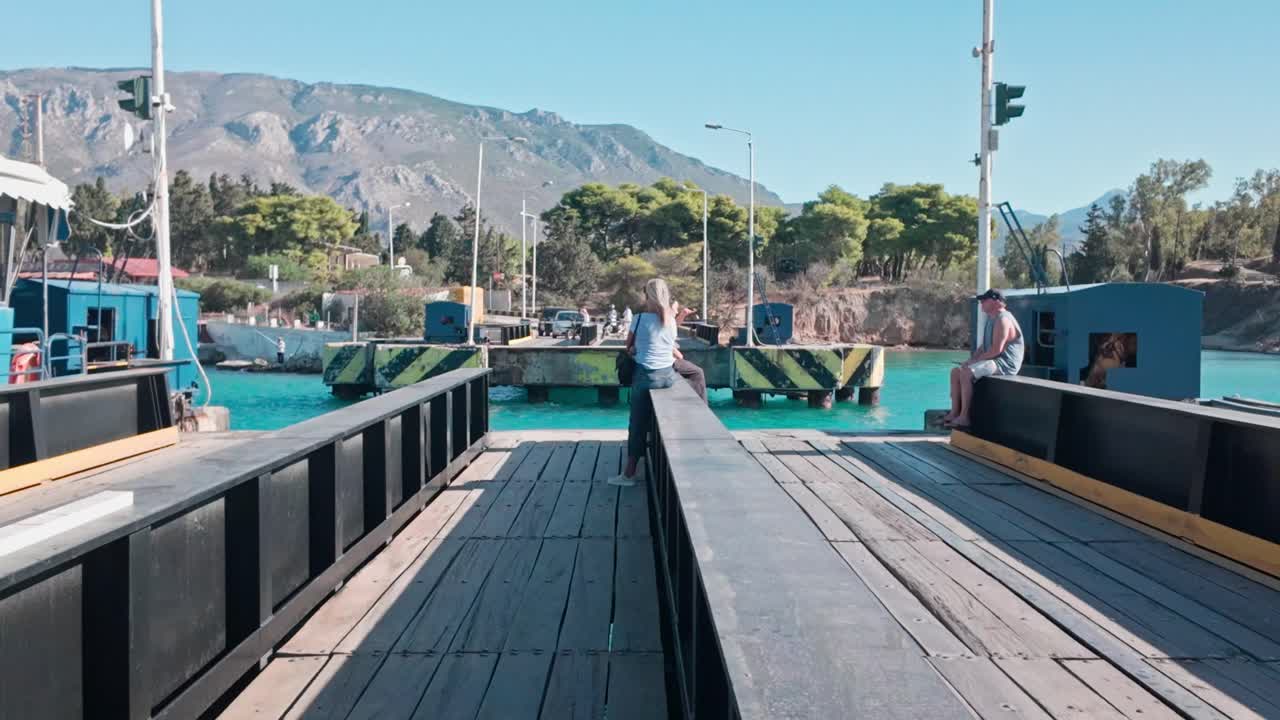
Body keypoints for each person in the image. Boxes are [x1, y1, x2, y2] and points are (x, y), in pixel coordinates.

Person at [610, 279, 680, 487]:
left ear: (647, 296)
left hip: (646, 376)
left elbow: (628, 346)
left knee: (637, 423)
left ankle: (628, 475)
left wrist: (636, 349)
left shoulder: (639, 319)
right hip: (668, 376)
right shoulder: (671, 320)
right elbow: (668, 348)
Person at [945, 289, 1024, 429]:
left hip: (1004, 364)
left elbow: (996, 350)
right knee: (956, 371)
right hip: (992, 361)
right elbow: (983, 347)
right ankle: (954, 413)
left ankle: (964, 417)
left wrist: (972, 364)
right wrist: (970, 360)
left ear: (996, 301)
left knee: (966, 373)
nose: (981, 303)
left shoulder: (1003, 319)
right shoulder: (992, 318)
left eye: (984, 300)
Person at [670, 301, 707, 401]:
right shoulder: (664, 322)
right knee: (698, 372)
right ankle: (701, 404)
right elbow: (665, 339)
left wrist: (683, 314)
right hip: (667, 363)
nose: (676, 311)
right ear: (669, 309)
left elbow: (673, 326)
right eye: (675, 309)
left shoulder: (665, 320)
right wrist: (675, 352)